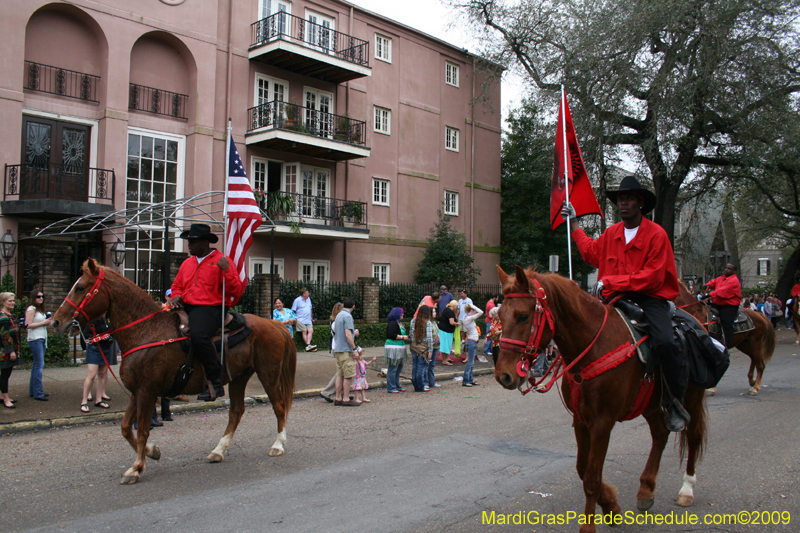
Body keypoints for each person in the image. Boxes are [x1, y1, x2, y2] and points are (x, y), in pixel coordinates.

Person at [562, 175, 688, 432]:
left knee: (665, 342)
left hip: (650, 298)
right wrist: (574, 223)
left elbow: (653, 277)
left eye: (629, 199)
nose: (623, 203)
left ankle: (674, 401)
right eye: (620, 199)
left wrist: (611, 282)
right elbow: (590, 252)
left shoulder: (657, 235)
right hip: (614, 299)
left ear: (640, 203)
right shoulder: (611, 233)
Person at [170, 223, 243, 401]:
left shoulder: (222, 261)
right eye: (189, 241)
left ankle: (216, 381)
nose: (189, 245)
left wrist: (226, 270)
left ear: (204, 242)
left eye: (193, 242)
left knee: (199, 336)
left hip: (211, 307)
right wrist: (175, 295)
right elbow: (177, 286)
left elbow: (236, 290)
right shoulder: (187, 263)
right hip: (186, 306)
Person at [80, 315, 116, 413]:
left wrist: (109, 336)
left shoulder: (108, 319)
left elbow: (113, 332)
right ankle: (84, 402)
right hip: (94, 348)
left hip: (106, 348)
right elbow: (86, 334)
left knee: (102, 374)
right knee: (91, 374)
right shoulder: (93, 320)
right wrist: (99, 337)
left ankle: (98, 400)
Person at [320, 303, 355, 403]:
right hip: (341, 347)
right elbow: (345, 334)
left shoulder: (336, 320)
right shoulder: (339, 321)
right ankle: (327, 392)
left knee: (341, 372)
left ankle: (342, 394)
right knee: (343, 373)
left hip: (338, 347)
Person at [702, 263, 742, 348]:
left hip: (729, 305)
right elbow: (714, 282)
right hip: (717, 303)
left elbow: (722, 291)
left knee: (726, 323)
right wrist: (707, 285)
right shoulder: (721, 278)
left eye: (729, 268)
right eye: (726, 268)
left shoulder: (734, 280)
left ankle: (726, 345)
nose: (726, 269)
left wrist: (709, 294)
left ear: (734, 271)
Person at [333, 297, 360, 406]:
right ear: (353, 306)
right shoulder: (348, 317)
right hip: (346, 349)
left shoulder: (339, 315)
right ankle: (346, 398)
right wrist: (354, 349)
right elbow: (348, 334)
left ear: (343, 305)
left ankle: (338, 397)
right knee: (348, 375)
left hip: (338, 348)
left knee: (340, 374)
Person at [25, 289, 52, 401]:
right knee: (39, 365)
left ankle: (34, 391)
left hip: (41, 338)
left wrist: (47, 322)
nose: (41, 298)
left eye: (42, 296)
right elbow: (27, 325)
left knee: (36, 365)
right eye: (38, 297)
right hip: (35, 339)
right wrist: (43, 322)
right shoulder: (31, 309)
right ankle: (38, 392)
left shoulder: (39, 310)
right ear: (33, 298)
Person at [0, 292, 21, 409]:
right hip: (5, 351)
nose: (12, 303)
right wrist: (11, 351)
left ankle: (2, 396)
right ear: (3, 302)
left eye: (13, 300)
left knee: (5, 374)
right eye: (10, 301)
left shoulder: (9, 316)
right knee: (5, 374)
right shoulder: (3, 317)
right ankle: (6, 399)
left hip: (10, 348)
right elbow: (4, 335)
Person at [409, 305, 436, 392]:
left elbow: (411, 334)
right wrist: (430, 350)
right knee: (421, 367)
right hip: (423, 348)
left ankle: (415, 385)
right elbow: (429, 338)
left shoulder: (413, 321)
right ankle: (420, 386)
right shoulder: (428, 323)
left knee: (415, 366)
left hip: (414, 346)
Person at [460, 303, 484, 387]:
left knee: (471, 362)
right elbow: (481, 312)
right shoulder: (469, 318)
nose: (476, 312)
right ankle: (466, 380)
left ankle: (470, 379)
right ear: (472, 310)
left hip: (472, 340)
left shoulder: (466, 317)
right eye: (475, 310)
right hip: (472, 341)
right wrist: (473, 306)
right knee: (470, 362)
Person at [384, 307, 408, 393]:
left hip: (400, 347)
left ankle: (397, 385)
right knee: (393, 368)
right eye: (401, 313)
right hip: (393, 347)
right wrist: (403, 337)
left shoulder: (399, 323)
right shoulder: (392, 323)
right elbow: (391, 335)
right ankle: (391, 387)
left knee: (398, 368)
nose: (403, 314)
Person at [437, 300, 459, 365]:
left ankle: (446, 358)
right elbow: (451, 322)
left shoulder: (446, 310)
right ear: (454, 306)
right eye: (456, 306)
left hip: (444, 330)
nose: (457, 308)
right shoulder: (450, 312)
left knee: (447, 345)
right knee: (445, 345)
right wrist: (457, 324)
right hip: (446, 331)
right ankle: (444, 360)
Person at [456, 289, 473, 354]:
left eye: (462, 293)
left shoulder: (469, 300)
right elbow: (458, 309)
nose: (461, 295)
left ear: (466, 294)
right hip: (461, 317)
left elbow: (471, 309)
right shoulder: (460, 300)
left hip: (466, 317)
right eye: (461, 293)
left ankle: (467, 339)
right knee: (461, 329)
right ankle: (463, 340)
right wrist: (457, 316)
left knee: (466, 329)